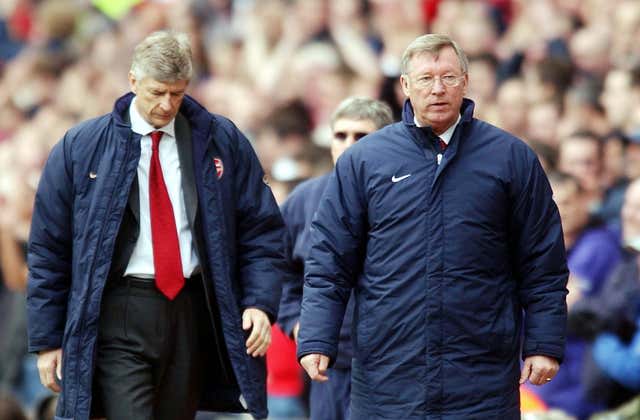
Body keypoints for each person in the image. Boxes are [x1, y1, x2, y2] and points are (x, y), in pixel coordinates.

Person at [297, 34, 569, 419]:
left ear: (466, 81)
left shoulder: (511, 158)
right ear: (405, 86)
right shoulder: (364, 161)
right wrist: (317, 338)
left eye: (448, 77)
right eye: (425, 79)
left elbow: (543, 261)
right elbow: (329, 260)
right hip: (386, 377)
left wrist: (543, 343)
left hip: (482, 377)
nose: (438, 89)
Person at [26, 30, 287, 420]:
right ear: (133, 81)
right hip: (117, 311)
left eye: (177, 94)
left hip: (192, 308)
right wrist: (47, 340)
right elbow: (49, 246)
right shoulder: (81, 147)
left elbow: (261, 229)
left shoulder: (220, 140)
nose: (167, 105)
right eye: (157, 92)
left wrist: (259, 303)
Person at [278, 96, 394, 420]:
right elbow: (276, 265)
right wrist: (294, 321)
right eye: (340, 135)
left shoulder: (407, 198)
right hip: (327, 368)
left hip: (391, 368)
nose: (348, 145)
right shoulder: (303, 199)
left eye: (361, 136)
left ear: (386, 143)